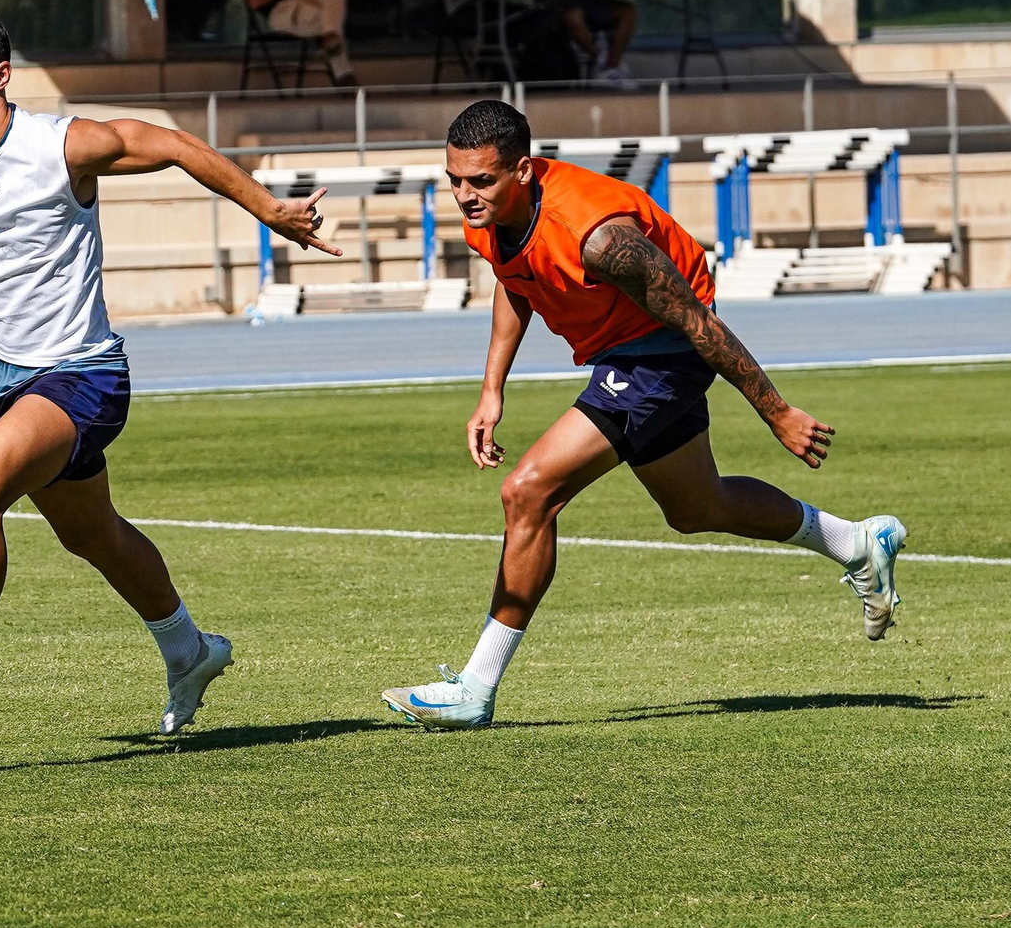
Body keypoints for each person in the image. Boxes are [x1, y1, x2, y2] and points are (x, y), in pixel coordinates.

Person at [0, 5, 339, 743]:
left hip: (84, 375)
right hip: (13, 386)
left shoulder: (62, 146)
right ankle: (190, 650)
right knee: (94, 537)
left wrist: (269, 212)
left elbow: (175, 144)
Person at [381, 100, 907, 730]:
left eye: (481, 181)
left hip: (666, 352)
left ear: (522, 170)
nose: (464, 195)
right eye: (455, 180)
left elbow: (698, 324)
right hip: (624, 350)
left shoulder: (602, 239)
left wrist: (777, 412)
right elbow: (513, 279)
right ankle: (856, 542)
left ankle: (475, 686)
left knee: (528, 492)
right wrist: (492, 389)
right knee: (697, 509)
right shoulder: (493, 214)